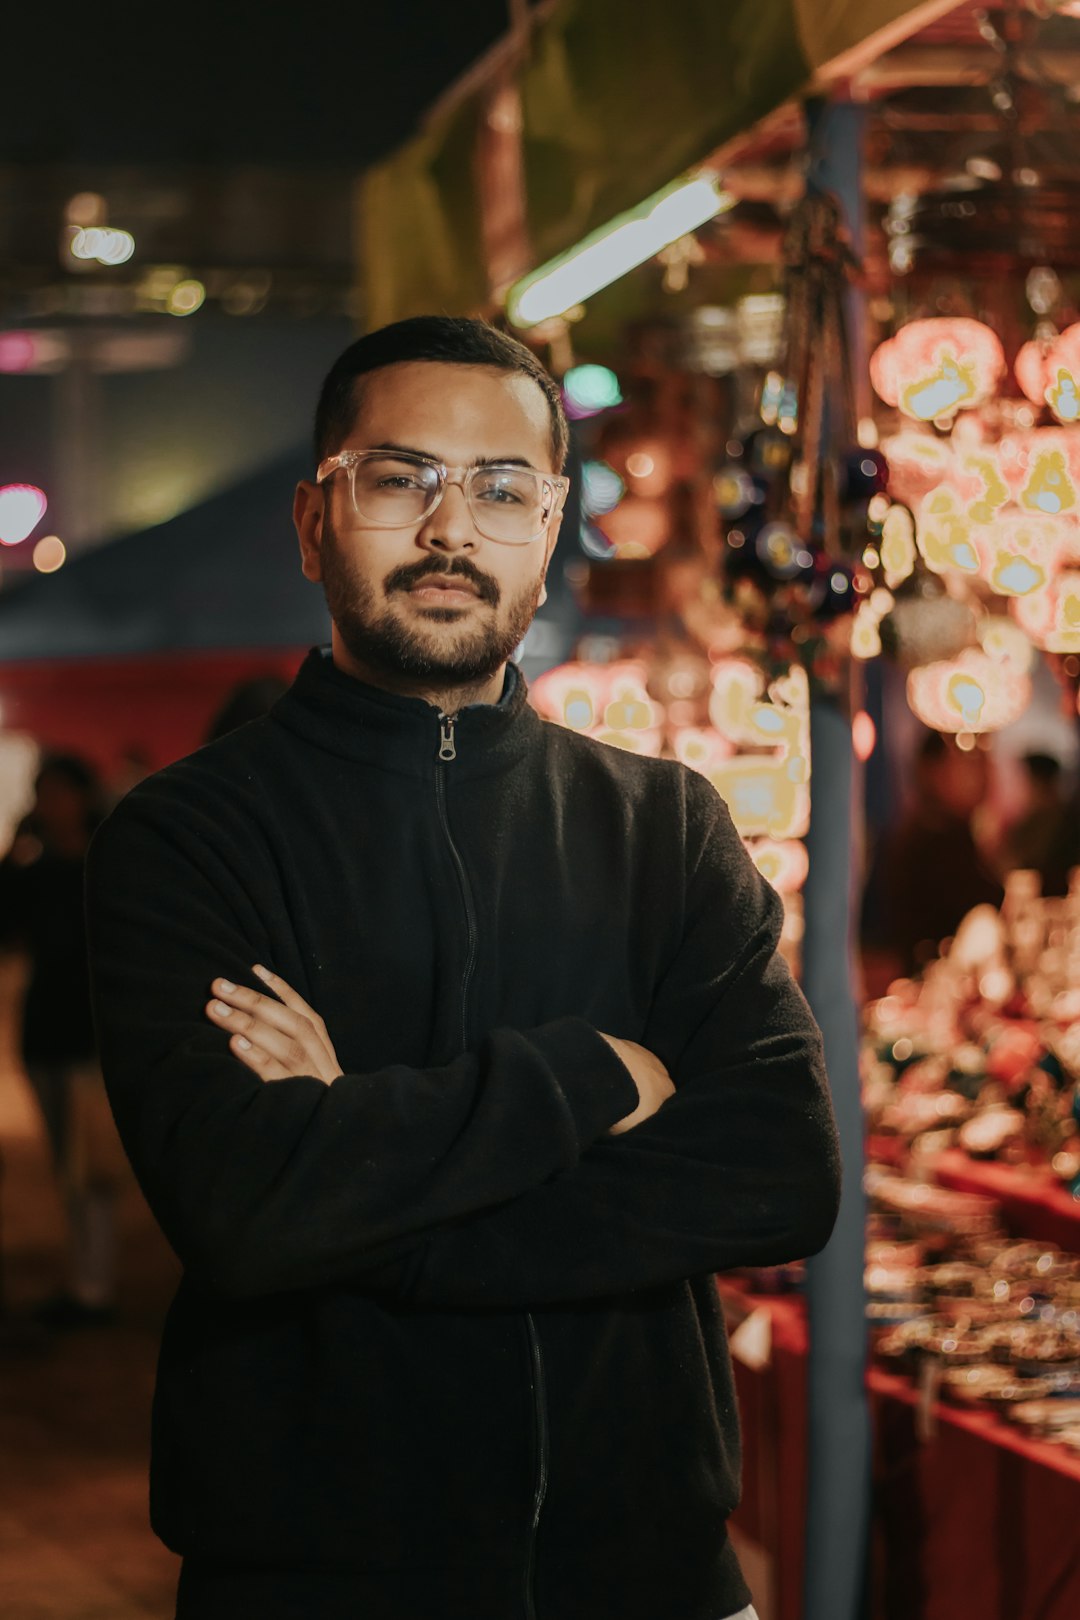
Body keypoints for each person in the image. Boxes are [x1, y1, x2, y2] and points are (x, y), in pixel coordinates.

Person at [85, 316, 840, 1620]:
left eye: (502, 490)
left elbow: (781, 1170)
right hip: (319, 1583)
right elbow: (245, 1208)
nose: (452, 530)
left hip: (655, 1574)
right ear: (315, 520)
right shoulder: (191, 837)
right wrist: (590, 1073)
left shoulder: (663, 825)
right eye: (399, 479)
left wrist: (370, 1198)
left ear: (548, 536)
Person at [0, 753, 121, 1325]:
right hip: (45, 1028)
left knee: (90, 1163)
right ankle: (88, 1278)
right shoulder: (38, 871)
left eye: (59, 793)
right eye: (42, 795)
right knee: (67, 1161)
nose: (52, 806)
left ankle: (94, 1286)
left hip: (89, 1032)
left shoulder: (109, 862)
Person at [861, 728, 1003, 992]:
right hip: (931, 985)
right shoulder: (932, 836)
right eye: (965, 764)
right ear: (932, 772)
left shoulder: (944, 828)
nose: (980, 776)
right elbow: (987, 901)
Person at [999, 750, 1074, 896]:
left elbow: (1020, 863)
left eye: (1025, 780)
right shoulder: (1032, 818)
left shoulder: (1054, 820)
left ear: (1039, 783)